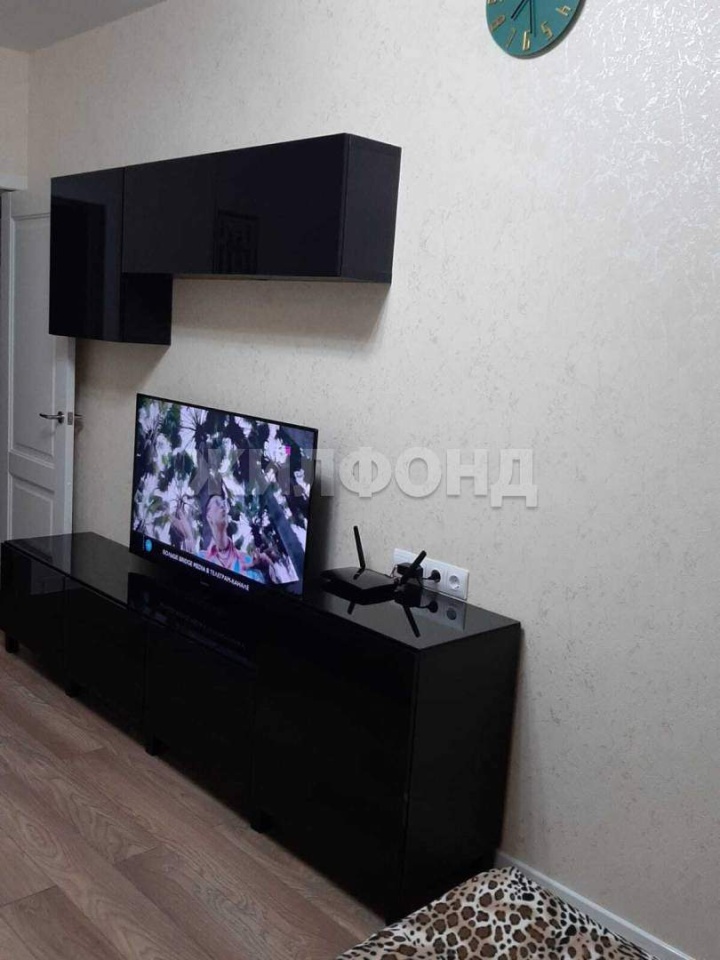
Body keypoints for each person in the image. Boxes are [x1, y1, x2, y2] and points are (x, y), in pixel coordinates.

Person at [171, 494, 265, 581]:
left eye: (224, 503)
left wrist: (265, 566)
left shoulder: (248, 561)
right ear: (209, 517)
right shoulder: (201, 557)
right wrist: (189, 537)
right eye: (217, 503)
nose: (223, 506)